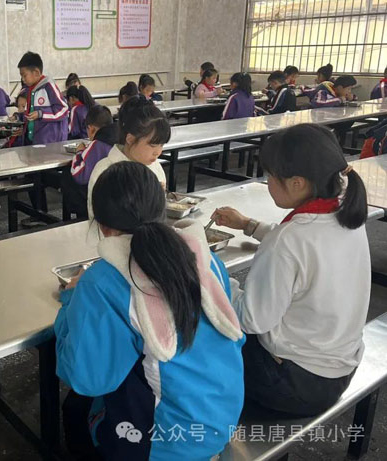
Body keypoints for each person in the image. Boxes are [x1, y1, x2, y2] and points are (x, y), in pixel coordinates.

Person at [57, 160, 244, 460]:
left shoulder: (103, 281)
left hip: (162, 444)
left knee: (76, 408)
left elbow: (87, 379)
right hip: (222, 420)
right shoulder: (206, 260)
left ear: (101, 224)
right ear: (162, 210)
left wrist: (71, 299)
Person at [212, 124, 369, 416]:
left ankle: (215, 423)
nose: (267, 182)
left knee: (207, 330)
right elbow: (306, 249)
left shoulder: (288, 240)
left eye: (270, 176)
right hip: (338, 369)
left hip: (292, 383)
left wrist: (217, 277)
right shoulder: (345, 210)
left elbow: (251, 320)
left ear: (297, 183)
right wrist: (249, 225)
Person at [88, 96, 170, 217]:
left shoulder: (155, 167)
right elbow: (99, 218)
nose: (158, 152)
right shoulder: (104, 171)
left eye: (161, 145)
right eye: (153, 145)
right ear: (130, 139)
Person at [62, 105, 117, 218]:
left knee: (67, 174)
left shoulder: (97, 144)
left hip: (99, 198)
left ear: (91, 129)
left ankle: (73, 218)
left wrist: (79, 151)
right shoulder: (119, 136)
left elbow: (80, 175)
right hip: (115, 193)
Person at [15, 51, 68, 145]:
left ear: (36, 72)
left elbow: (63, 109)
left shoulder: (49, 86)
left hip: (50, 143)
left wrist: (41, 114)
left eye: (24, 75)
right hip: (36, 141)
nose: (23, 79)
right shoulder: (31, 90)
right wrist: (18, 117)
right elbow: (30, 113)